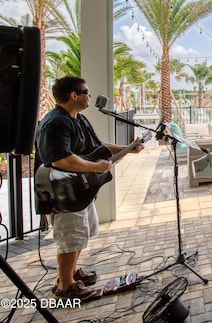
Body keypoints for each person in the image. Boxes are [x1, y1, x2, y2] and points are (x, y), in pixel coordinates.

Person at [36, 76, 143, 301]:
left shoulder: (78, 119)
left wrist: (128, 148)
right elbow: (60, 159)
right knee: (70, 237)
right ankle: (65, 287)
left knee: (79, 234)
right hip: (63, 191)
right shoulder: (56, 122)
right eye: (86, 92)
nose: (90, 97)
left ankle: (72, 274)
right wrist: (95, 167)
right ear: (74, 95)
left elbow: (98, 146)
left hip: (79, 190)